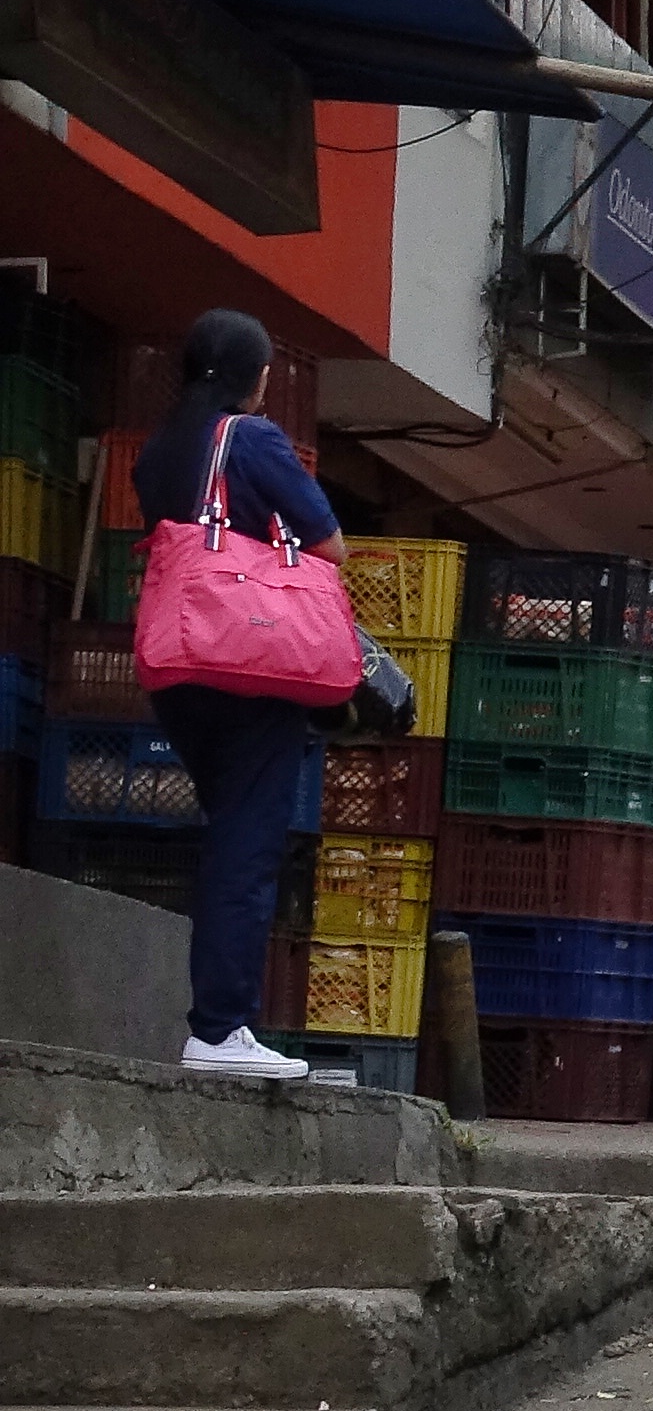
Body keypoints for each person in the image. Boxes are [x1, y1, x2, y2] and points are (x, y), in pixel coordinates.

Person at [128, 310, 340, 1077]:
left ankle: (221, 1026)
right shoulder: (250, 440)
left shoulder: (160, 452)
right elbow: (328, 542)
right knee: (246, 849)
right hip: (251, 661)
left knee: (231, 837)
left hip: (180, 664)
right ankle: (219, 1032)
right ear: (253, 377)